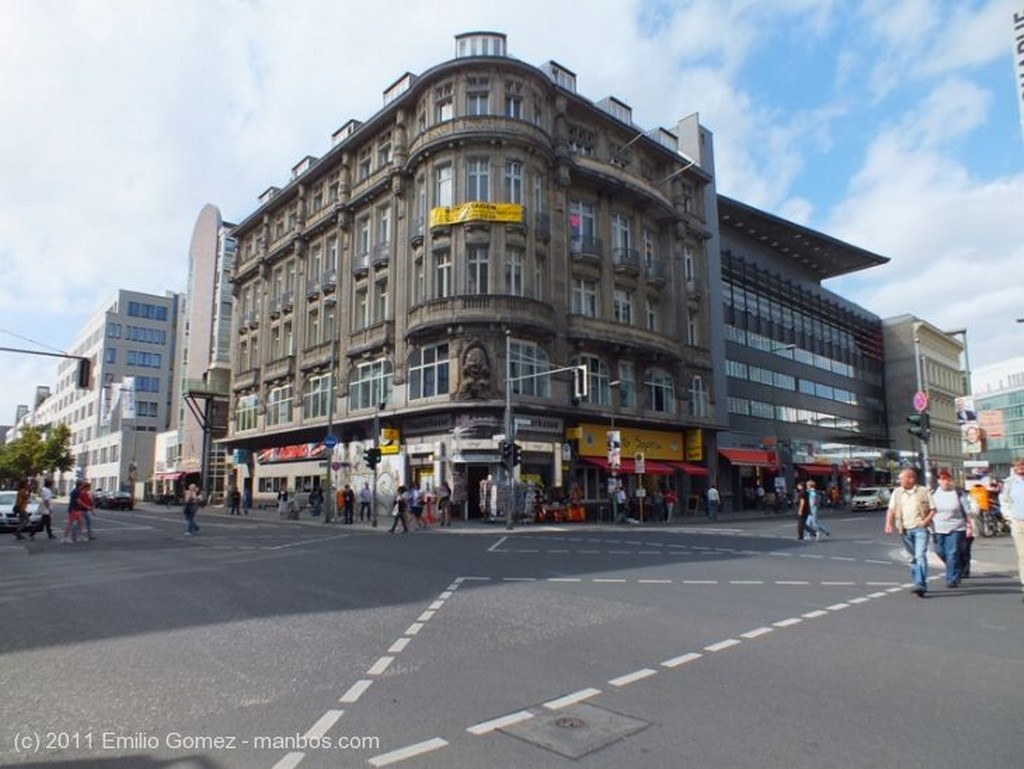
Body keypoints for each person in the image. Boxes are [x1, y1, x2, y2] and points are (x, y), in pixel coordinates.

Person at [885, 468, 935, 597]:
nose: (900, 481)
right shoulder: (897, 492)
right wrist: (888, 524)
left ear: (911, 479)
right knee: (912, 558)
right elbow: (891, 510)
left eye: (902, 478)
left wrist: (925, 521)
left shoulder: (923, 491)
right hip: (905, 530)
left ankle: (921, 584)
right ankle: (917, 582)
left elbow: (933, 509)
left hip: (920, 529)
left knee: (920, 556)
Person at [930, 470, 968, 588]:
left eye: (947, 479)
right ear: (938, 481)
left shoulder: (957, 493)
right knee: (939, 551)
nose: (945, 481)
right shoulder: (933, 494)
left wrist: (970, 525)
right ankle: (957, 567)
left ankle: (951, 579)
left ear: (951, 480)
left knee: (952, 553)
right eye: (942, 479)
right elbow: (928, 509)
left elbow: (967, 509)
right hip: (938, 527)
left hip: (956, 527)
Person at [998, 456, 1024, 601]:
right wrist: (1009, 518)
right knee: (1023, 556)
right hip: (1018, 522)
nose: (1020, 469)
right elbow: (1004, 501)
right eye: (1017, 467)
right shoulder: (1009, 483)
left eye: (1022, 466)